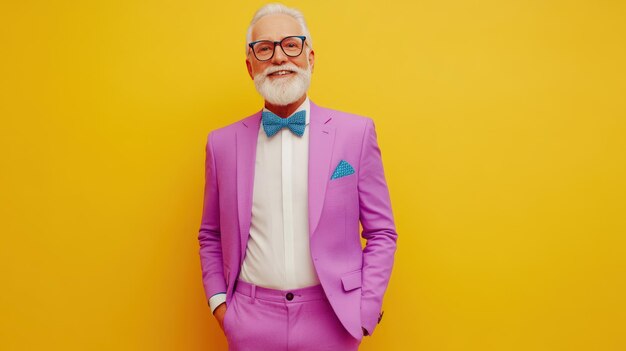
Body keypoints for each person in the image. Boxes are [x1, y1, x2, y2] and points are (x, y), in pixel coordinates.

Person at [198, 3, 398, 350]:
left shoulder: (356, 133)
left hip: (334, 319)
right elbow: (210, 234)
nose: (279, 58)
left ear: (310, 57)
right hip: (250, 321)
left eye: (291, 44)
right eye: (265, 49)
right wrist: (221, 306)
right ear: (250, 67)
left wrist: (365, 310)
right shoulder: (221, 144)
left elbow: (382, 232)